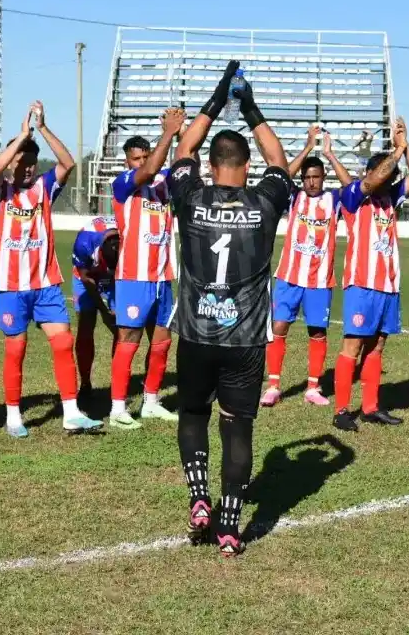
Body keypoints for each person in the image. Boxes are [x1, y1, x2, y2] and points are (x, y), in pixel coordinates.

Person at [169, 60, 292, 557]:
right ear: (246, 166)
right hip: (243, 338)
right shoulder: (264, 202)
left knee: (193, 414)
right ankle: (229, 525)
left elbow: (183, 148)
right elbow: (280, 160)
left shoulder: (190, 196)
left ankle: (199, 498)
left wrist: (219, 96)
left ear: (210, 163)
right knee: (237, 425)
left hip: (196, 332)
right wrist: (248, 103)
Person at [0, 101, 102, 438]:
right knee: (16, 348)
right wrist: (20, 138)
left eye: (31, 164)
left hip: (46, 283)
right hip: (10, 285)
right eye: (20, 163)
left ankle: (71, 413)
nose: (26, 169)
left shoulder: (45, 188)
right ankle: (12, 416)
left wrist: (43, 128)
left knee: (63, 342)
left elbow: (68, 163)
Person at [333, 117, 409, 432]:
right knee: (353, 346)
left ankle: (371, 406)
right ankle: (342, 410)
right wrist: (396, 152)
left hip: (388, 285)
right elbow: (375, 180)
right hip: (361, 285)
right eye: (385, 173)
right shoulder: (353, 196)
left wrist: (405, 143)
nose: (390, 179)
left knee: (378, 345)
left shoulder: (392, 197)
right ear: (371, 174)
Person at [107, 108, 187, 429]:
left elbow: (182, 157)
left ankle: (151, 401)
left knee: (163, 340)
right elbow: (151, 168)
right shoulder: (123, 184)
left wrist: (180, 131)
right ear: (128, 162)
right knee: (129, 337)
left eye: (144, 157)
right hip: (133, 276)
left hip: (162, 276)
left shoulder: (164, 185)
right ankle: (117, 409)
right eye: (135, 159)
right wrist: (167, 132)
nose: (140, 163)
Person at [263, 126, 353, 407]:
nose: (311, 182)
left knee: (317, 331)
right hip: (289, 276)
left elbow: (351, 187)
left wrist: (328, 154)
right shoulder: (294, 197)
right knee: (279, 326)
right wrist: (307, 148)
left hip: (319, 281)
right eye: (308, 178)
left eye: (316, 177)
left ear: (323, 178)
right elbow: (282, 175)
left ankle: (313, 387)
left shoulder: (334, 200)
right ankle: (274, 385)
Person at [72, 215, 121, 395]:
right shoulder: (84, 242)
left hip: (117, 278)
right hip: (86, 275)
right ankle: (85, 384)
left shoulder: (129, 236)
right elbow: (86, 277)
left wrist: (114, 312)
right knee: (85, 326)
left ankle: (118, 382)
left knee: (121, 329)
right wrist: (103, 309)